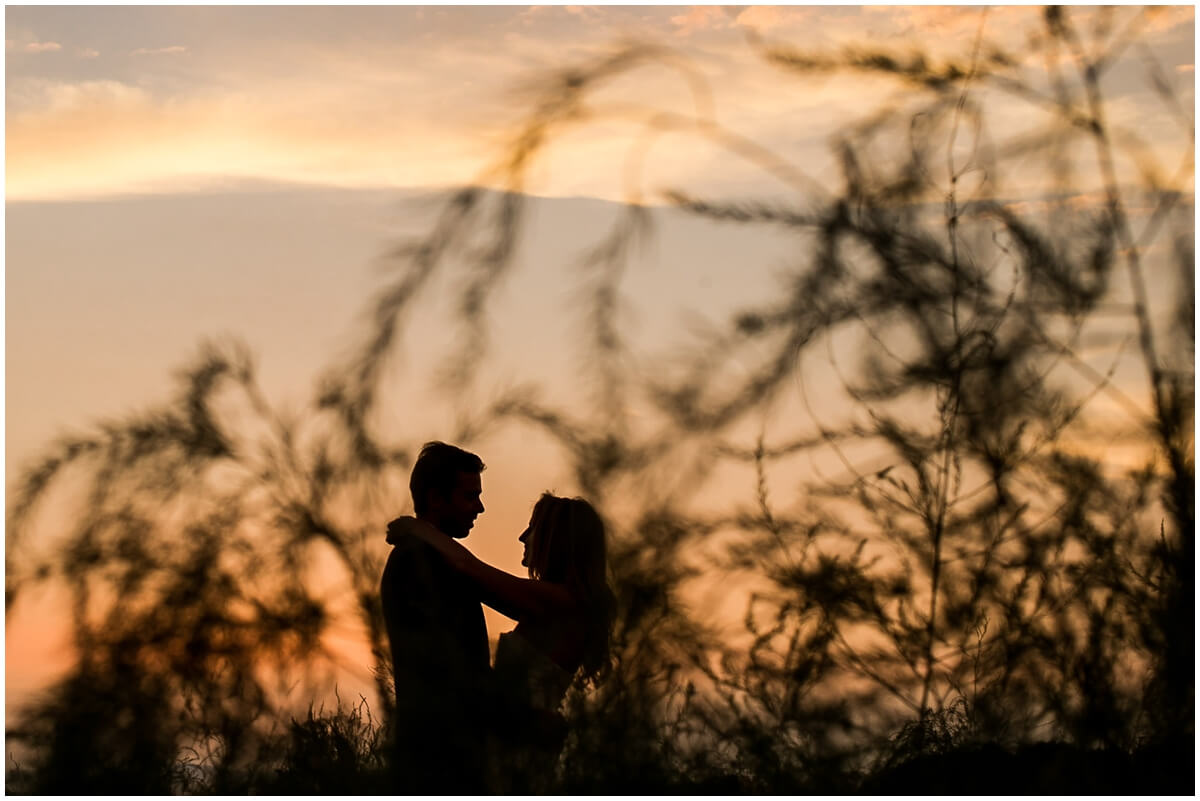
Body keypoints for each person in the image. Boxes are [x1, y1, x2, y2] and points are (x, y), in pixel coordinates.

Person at [388, 491, 616, 793]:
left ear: (556, 540)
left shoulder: (560, 602)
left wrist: (419, 529)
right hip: (513, 735)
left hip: (521, 743)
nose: (522, 537)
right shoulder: (557, 602)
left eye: (533, 528)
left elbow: (469, 570)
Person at [379, 441, 490, 793]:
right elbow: (447, 668)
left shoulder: (434, 557)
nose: (480, 508)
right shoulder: (419, 562)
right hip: (438, 764)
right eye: (470, 496)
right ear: (436, 499)